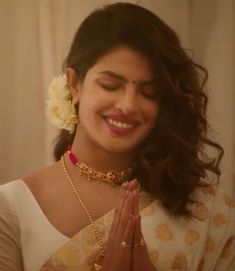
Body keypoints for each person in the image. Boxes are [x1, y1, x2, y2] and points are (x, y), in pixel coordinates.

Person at [0, 2, 234, 271]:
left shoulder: (205, 210)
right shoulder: (12, 208)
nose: (128, 105)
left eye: (148, 93)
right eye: (110, 85)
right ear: (75, 84)